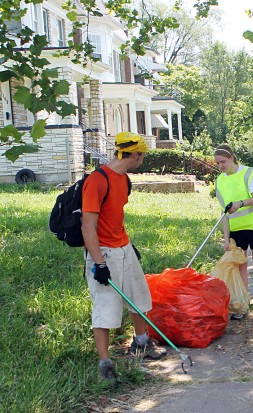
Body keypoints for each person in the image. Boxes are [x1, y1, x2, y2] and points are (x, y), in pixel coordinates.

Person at [82, 132, 167, 383]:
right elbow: (88, 225)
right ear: (134, 154)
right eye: (142, 156)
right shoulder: (97, 180)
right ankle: (104, 363)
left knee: (139, 296)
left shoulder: (123, 179)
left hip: (124, 247)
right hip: (104, 252)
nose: (142, 161)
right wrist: (99, 263)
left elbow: (114, 217)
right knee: (106, 308)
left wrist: (128, 246)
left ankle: (141, 343)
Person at [213, 144, 253, 320]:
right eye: (218, 163)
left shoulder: (249, 173)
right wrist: (226, 239)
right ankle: (243, 304)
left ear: (232, 157)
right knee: (241, 267)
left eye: (223, 161)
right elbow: (223, 213)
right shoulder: (220, 181)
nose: (221, 166)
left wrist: (239, 203)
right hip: (236, 230)